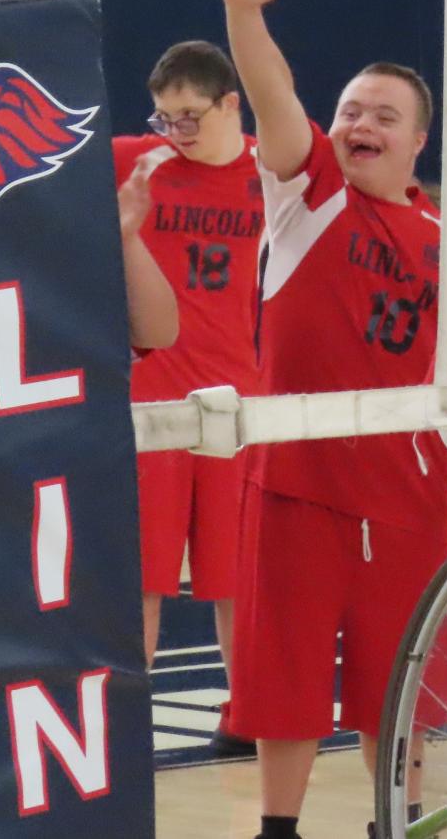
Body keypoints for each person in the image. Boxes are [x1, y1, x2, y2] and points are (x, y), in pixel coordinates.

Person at [219, 0, 447, 839]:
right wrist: (244, 12)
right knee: (285, 682)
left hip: (408, 491)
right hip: (296, 483)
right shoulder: (307, 192)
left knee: (400, 685)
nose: (360, 122)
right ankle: (278, 828)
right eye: (352, 106)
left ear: (418, 138)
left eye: (383, 114)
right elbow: (275, 99)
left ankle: (397, 821)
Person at [111, 40, 267, 700]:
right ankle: (125, 716)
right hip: (149, 395)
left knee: (241, 578)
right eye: (162, 118)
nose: (174, 132)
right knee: (141, 573)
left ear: (230, 103)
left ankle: (250, 713)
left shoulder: (276, 171)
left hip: (240, 397)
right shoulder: (132, 162)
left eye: (187, 116)